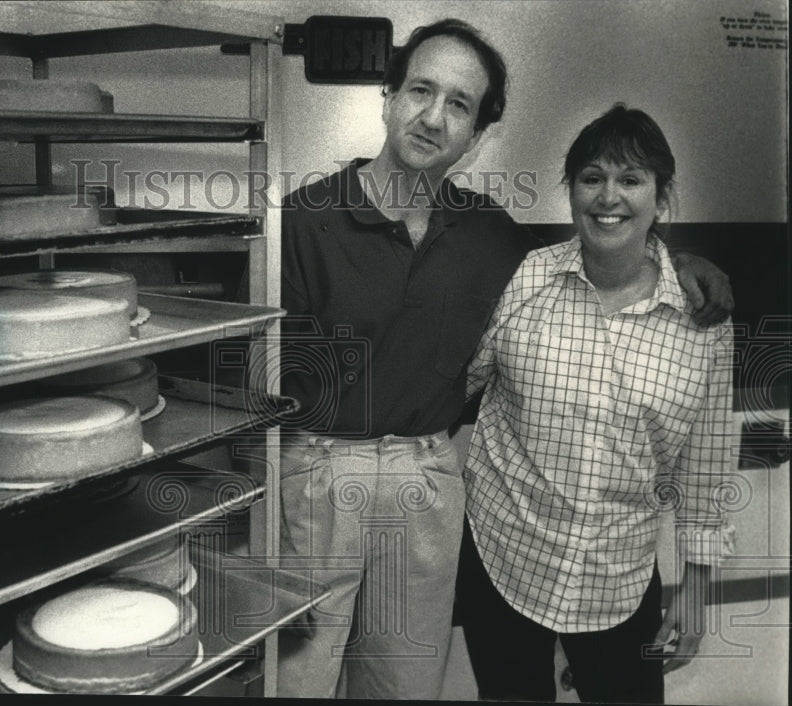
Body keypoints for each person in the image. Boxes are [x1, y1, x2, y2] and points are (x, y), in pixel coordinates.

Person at [277, 19, 733, 700]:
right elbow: (253, 390)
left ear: (478, 133)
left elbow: (601, 248)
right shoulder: (299, 221)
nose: (434, 117)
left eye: (459, 104)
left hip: (426, 478)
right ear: (389, 96)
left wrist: (682, 264)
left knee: (405, 689)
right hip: (315, 477)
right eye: (420, 90)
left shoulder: (490, 238)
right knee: (294, 682)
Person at [455, 104, 737, 704]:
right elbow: (455, 380)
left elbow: (706, 461)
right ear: (572, 191)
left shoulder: (704, 319)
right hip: (504, 557)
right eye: (592, 177)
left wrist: (696, 585)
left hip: (620, 577)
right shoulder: (527, 279)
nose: (609, 196)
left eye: (631, 180)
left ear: (661, 199)